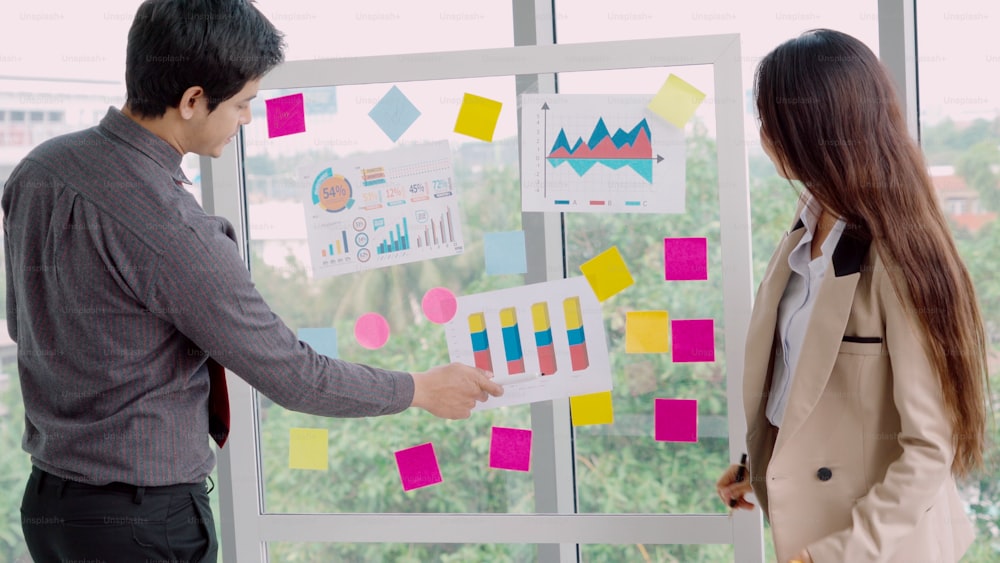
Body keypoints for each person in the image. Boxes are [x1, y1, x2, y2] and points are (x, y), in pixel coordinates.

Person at [3, 1, 502, 561]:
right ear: (193, 100)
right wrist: (421, 388)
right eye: (242, 104)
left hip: (50, 506)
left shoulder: (39, 170)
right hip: (140, 525)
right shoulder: (174, 229)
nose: (245, 120)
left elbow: (25, 324)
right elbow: (293, 375)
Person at [715, 29, 990, 563]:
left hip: (872, 545)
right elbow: (803, 377)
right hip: (809, 527)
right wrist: (761, 466)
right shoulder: (804, 228)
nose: (766, 137)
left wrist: (835, 554)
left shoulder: (899, 254)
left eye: (771, 121)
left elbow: (930, 449)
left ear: (810, 131)